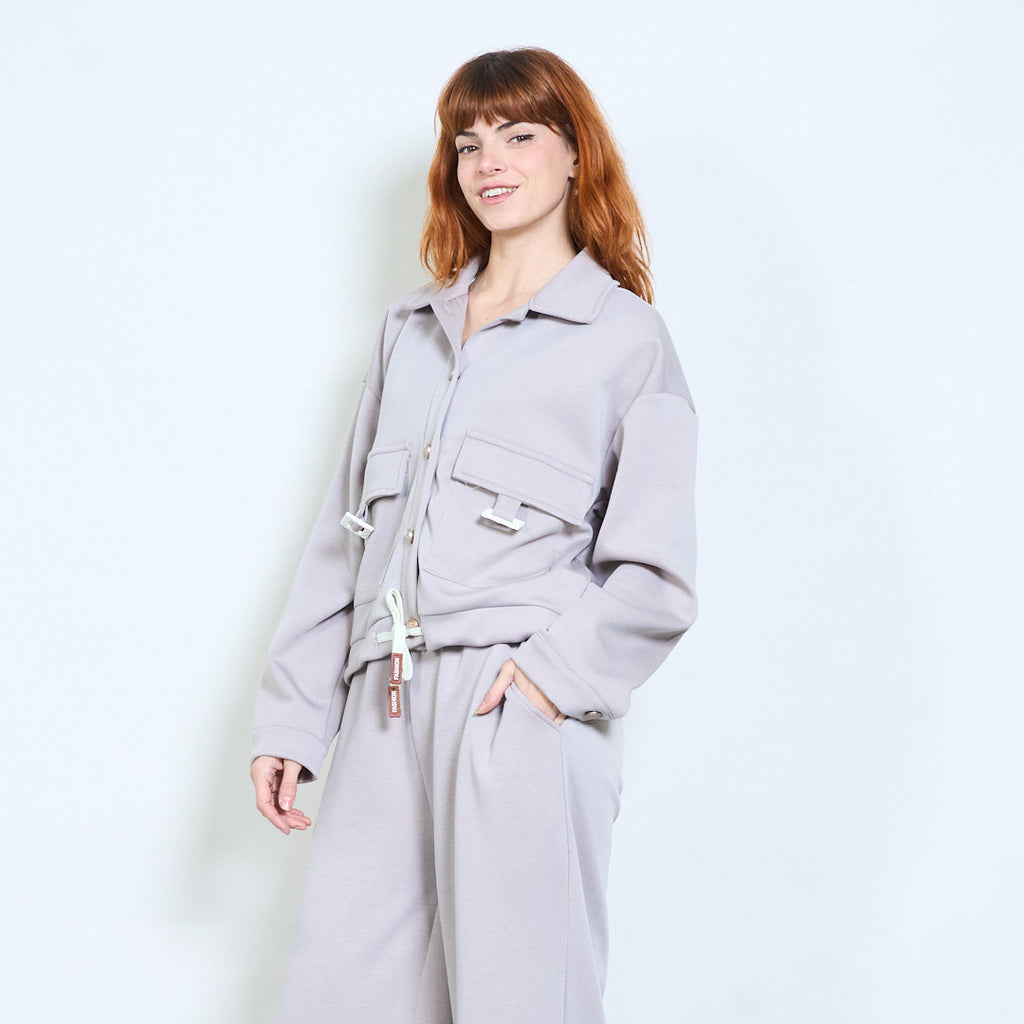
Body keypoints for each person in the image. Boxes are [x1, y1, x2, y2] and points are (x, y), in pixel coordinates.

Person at [249, 46, 698, 1024]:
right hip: (384, 703)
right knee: (341, 993)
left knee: (518, 1000)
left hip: (514, 709)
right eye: (468, 142)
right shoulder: (409, 332)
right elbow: (342, 539)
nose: (489, 160)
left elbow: (656, 574)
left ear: (575, 154)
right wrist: (294, 717)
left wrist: (546, 682)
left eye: (519, 134)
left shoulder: (625, 340)